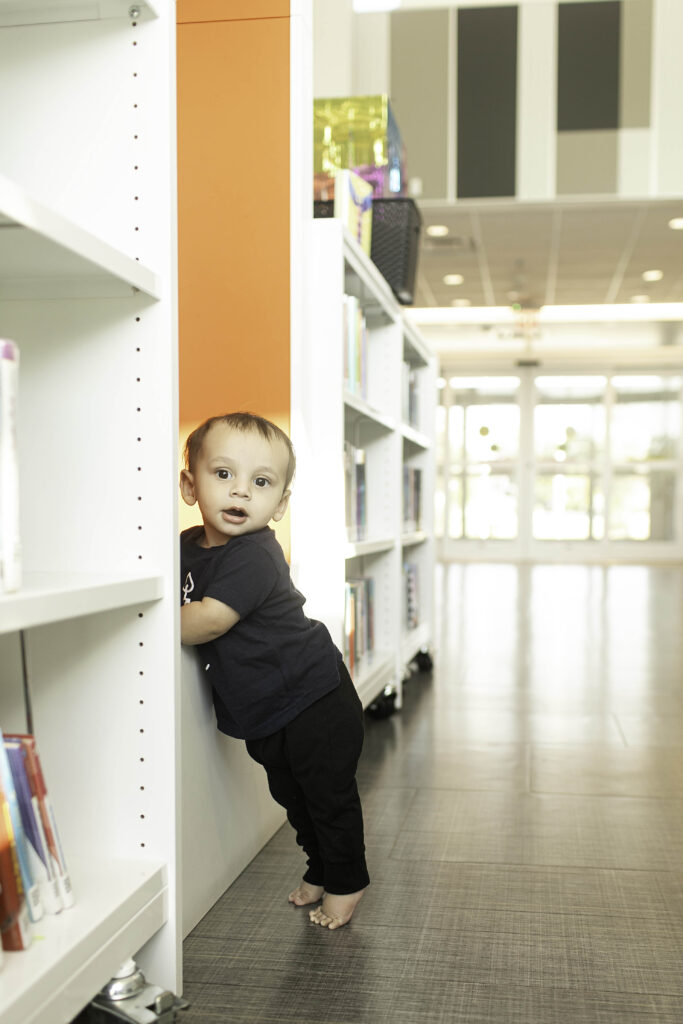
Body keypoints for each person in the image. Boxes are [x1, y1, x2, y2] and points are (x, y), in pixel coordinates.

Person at [179, 411, 369, 930]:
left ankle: (347, 881)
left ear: (280, 503)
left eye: (260, 483)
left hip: (315, 700)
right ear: (189, 485)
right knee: (293, 798)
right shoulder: (185, 549)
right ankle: (321, 867)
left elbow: (209, 620)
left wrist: (150, 618)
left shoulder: (255, 554)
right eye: (223, 475)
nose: (241, 492)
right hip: (267, 709)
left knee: (327, 798)